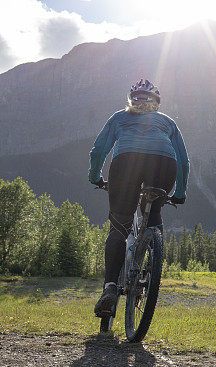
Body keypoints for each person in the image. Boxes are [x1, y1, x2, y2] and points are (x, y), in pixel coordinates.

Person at [88, 79, 189, 317]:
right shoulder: (167, 122)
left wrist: (95, 177)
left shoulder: (119, 118)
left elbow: (99, 150)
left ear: (130, 99)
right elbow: (183, 161)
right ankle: (151, 263)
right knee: (153, 213)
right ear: (157, 104)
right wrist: (181, 194)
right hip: (164, 164)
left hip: (126, 164)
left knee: (119, 226)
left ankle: (110, 287)